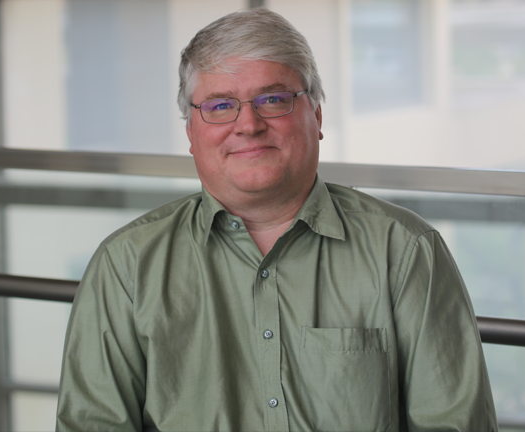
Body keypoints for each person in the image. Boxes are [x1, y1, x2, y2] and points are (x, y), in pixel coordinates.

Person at [56, 8, 497, 432]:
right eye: (220, 105)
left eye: (273, 99)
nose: (248, 124)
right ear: (191, 132)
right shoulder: (126, 266)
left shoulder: (404, 250)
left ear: (317, 115)